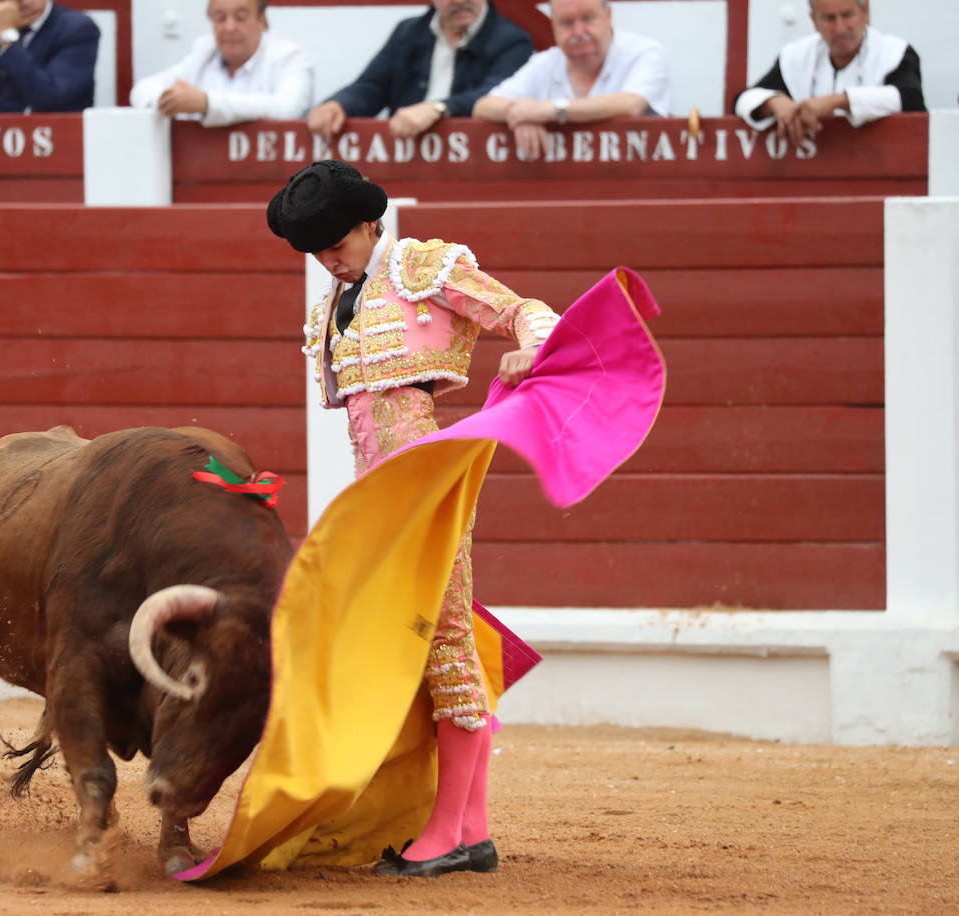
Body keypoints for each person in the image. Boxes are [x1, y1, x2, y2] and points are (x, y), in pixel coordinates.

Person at [266, 160, 559, 878]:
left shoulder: (421, 266)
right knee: (421, 640)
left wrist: (534, 345)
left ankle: (450, 837)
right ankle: (472, 828)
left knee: (445, 636)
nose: (329, 259)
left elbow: (524, 311)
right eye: (317, 250)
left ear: (372, 222)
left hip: (426, 482)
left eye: (338, 242)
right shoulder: (336, 304)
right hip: (379, 492)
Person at [306, 0, 532, 142]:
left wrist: (438, 109)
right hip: (404, 150)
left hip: (471, 156)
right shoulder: (409, 32)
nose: (460, 1)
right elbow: (373, 86)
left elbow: (493, 97)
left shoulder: (512, 40)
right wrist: (338, 104)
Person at [472, 0, 671, 160]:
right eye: (567, 22)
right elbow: (483, 106)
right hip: (559, 190)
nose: (578, 32)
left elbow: (630, 104)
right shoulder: (545, 63)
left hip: (636, 183)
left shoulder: (644, 52)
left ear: (608, 16)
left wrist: (552, 111)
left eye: (587, 18)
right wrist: (522, 116)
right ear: (554, 26)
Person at [733, 0, 925, 148]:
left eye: (847, 15)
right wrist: (775, 103)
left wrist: (836, 102)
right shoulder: (796, 56)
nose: (840, 28)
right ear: (814, 20)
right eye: (829, 18)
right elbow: (742, 100)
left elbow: (910, 98)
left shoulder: (894, 52)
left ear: (864, 12)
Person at [128, 0, 312, 127]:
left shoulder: (289, 56)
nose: (230, 27)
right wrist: (166, 99)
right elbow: (142, 90)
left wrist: (207, 103)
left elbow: (289, 108)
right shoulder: (204, 53)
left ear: (261, 20)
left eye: (240, 17)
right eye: (220, 18)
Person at [0, 0, 98, 113]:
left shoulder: (77, 29)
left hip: (59, 143)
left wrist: (6, 37)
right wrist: (24, 108)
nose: (24, 1)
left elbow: (52, 99)